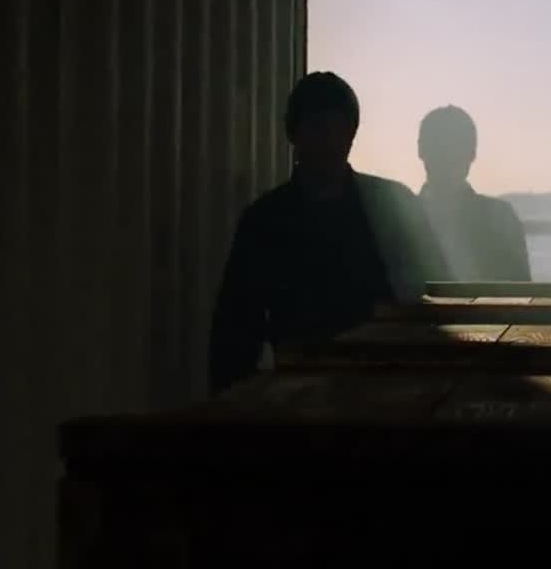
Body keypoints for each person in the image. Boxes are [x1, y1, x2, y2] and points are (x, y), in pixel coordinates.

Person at [209, 72, 446, 394]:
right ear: (295, 134)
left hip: (354, 392)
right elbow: (236, 332)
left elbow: (235, 336)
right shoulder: (391, 204)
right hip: (363, 393)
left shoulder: (266, 218)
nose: (329, 142)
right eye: (319, 129)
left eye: (338, 130)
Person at [415, 105, 531, 281]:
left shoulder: (397, 220)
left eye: (455, 147)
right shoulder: (500, 218)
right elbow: (521, 290)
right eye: (441, 146)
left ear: (421, 149)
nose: (448, 155)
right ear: (473, 153)